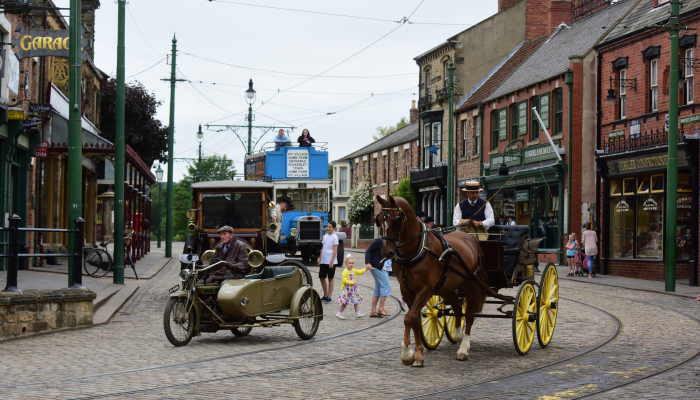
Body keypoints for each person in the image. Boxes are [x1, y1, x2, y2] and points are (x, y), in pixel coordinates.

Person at [365, 237, 392, 318]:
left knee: (378, 288)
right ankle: (381, 309)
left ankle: (373, 311)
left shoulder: (391, 242)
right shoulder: (379, 241)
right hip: (377, 266)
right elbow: (368, 250)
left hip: (385, 267)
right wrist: (367, 262)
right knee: (386, 286)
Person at [336, 254, 367, 319]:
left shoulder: (353, 270)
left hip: (353, 289)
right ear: (346, 263)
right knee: (345, 302)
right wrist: (351, 282)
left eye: (352, 263)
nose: (351, 265)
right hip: (347, 290)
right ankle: (339, 313)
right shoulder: (345, 271)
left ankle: (357, 313)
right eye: (350, 263)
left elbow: (359, 272)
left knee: (356, 301)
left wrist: (365, 269)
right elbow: (344, 280)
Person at [319, 220, 339, 304]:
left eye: (330, 227)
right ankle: (325, 294)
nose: (328, 228)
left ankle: (329, 296)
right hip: (324, 260)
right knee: (322, 277)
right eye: (327, 226)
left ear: (334, 228)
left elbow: (335, 250)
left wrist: (331, 262)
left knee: (330, 278)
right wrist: (320, 259)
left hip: (331, 261)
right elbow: (323, 248)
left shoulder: (335, 237)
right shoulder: (325, 236)